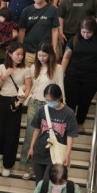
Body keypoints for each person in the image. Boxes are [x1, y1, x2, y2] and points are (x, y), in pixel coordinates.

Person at [19, 43, 64, 180]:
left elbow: (60, 88)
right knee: (30, 133)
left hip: (48, 105)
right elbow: (30, 85)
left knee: (45, 136)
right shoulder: (34, 67)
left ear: (50, 55)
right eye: (39, 55)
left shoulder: (57, 68)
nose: (42, 58)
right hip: (34, 102)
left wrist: (61, 107)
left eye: (44, 55)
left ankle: (43, 165)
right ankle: (29, 165)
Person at [61, 17, 97, 131]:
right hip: (73, 75)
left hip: (91, 76)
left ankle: (79, 122)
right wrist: (62, 73)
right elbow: (66, 57)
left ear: (94, 31)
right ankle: (68, 123)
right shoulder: (74, 40)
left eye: (89, 32)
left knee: (85, 101)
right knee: (71, 101)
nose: (85, 35)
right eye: (83, 32)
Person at [0, 42, 32, 177]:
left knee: (12, 134)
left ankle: (7, 165)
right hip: (1, 100)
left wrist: (20, 101)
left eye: (22, 54)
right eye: (18, 54)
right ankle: (0, 149)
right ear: (10, 54)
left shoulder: (26, 69)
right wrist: (5, 75)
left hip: (16, 101)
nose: (20, 57)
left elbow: (28, 87)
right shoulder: (2, 67)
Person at [27, 84, 78, 182]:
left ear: (59, 97)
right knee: (39, 183)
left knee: (47, 182)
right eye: (47, 100)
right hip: (40, 151)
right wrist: (31, 148)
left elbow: (70, 137)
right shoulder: (42, 110)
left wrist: (67, 155)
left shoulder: (69, 113)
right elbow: (37, 129)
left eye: (52, 100)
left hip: (56, 154)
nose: (49, 102)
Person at [19, 0, 60, 65]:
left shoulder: (52, 10)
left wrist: (54, 48)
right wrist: (20, 48)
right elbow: (22, 30)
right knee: (29, 76)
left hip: (45, 51)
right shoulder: (26, 10)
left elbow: (55, 30)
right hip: (29, 51)